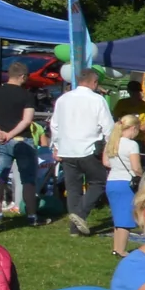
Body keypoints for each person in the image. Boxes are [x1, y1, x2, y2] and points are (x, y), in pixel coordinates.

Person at [50, 70, 113, 236]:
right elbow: (108, 127)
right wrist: (110, 147)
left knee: (73, 189)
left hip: (67, 149)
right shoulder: (97, 99)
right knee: (99, 182)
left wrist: (56, 145)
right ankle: (80, 214)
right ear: (94, 82)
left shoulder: (63, 99)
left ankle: (74, 228)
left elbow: (54, 125)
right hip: (88, 148)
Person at [0, 62, 38, 225]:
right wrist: (10, 134)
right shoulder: (26, 95)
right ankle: (31, 216)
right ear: (22, 76)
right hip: (22, 139)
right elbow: (27, 120)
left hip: (1, 139)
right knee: (27, 178)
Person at [103, 113, 145, 256]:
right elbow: (136, 167)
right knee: (126, 218)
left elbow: (106, 162)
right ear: (133, 128)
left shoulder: (111, 141)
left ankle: (116, 248)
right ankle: (121, 250)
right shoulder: (132, 145)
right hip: (126, 182)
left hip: (112, 181)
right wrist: (143, 175)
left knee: (118, 217)